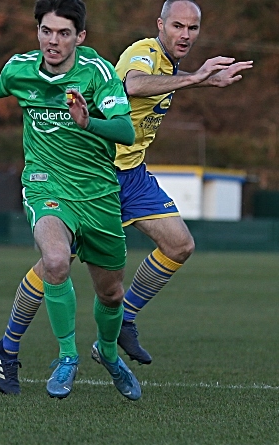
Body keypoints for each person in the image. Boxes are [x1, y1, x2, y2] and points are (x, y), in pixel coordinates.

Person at [0, 0, 141, 400]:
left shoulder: (97, 73)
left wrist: (89, 123)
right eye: (46, 31)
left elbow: (126, 131)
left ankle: (107, 352)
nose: (53, 41)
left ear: (80, 37)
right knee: (55, 261)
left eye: (64, 33)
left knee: (111, 293)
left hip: (100, 194)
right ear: (37, 31)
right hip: (46, 185)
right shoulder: (20, 69)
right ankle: (67, 356)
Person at [112, 0, 253, 365]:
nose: (185, 35)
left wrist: (204, 81)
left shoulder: (171, 65)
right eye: (177, 26)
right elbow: (132, 84)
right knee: (57, 262)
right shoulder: (142, 52)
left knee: (179, 245)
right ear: (160, 25)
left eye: (192, 28)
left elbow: (166, 83)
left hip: (133, 173)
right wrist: (196, 77)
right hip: (97, 173)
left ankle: (123, 321)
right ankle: (9, 343)